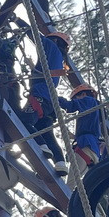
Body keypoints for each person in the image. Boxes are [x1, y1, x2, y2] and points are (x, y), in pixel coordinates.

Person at [25, 32, 72, 175]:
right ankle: (60, 163)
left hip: (40, 96)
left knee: (23, 122)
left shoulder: (51, 46)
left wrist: (17, 21)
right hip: (49, 102)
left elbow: (35, 35)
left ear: (56, 41)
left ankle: (41, 145)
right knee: (46, 132)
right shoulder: (58, 59)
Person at [59, 83, 104, 169]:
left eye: (76, 98)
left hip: (85, 147)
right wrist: (75, 136)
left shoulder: (88, 100)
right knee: (85, 182)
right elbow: (89, 130)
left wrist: (54, 98)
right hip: (93, 150)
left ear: (83, 94)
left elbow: (70, 106)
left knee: (71, 182)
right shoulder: (95, 111)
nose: (76, 101)